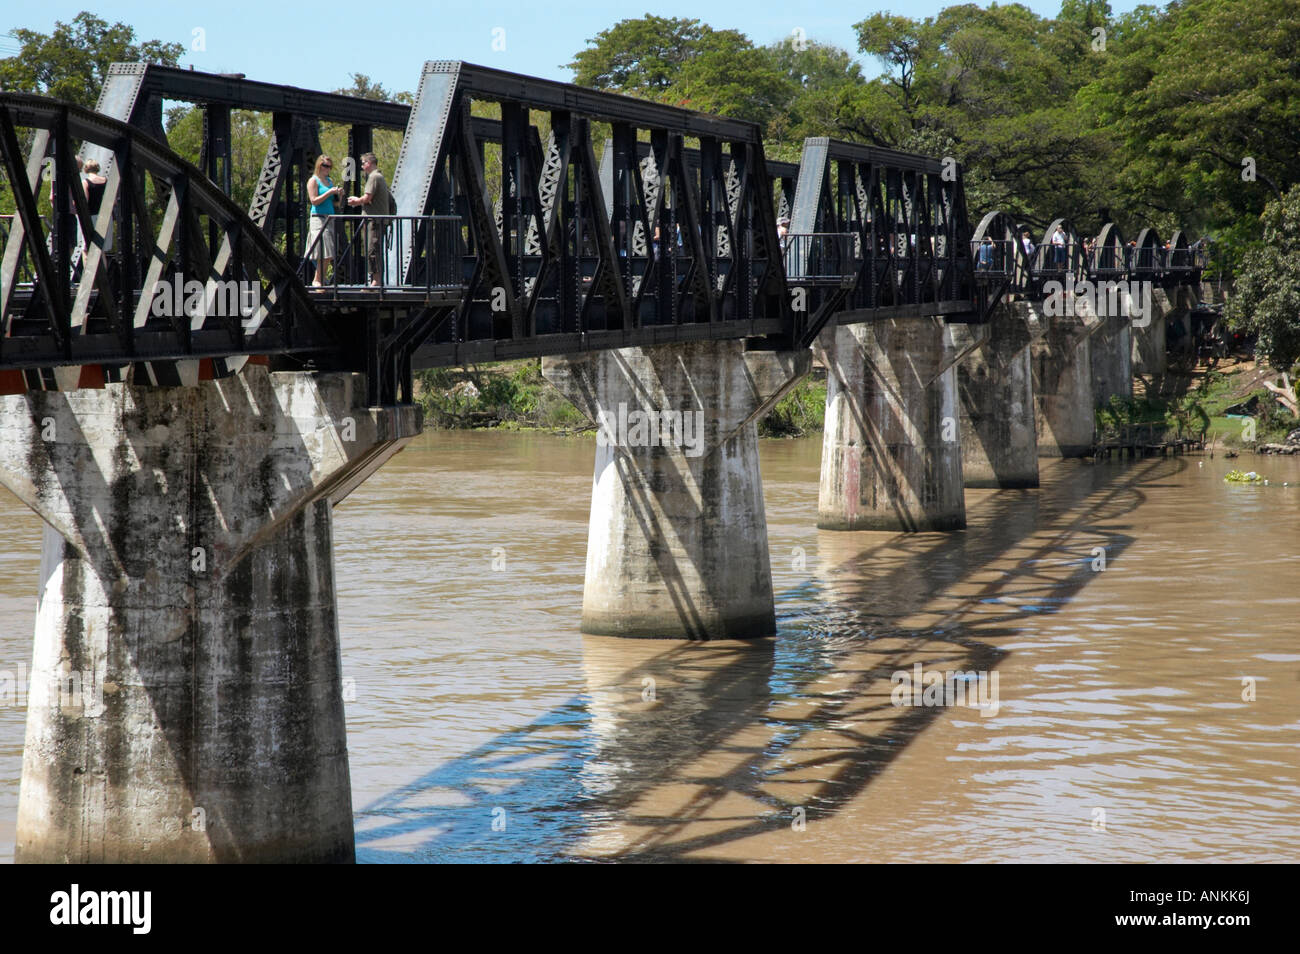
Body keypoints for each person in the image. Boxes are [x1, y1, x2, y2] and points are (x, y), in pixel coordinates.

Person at [346, 152, 391, 286]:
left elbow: (367, 198)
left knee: (373, 251)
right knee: (374, 250)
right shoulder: (379, 176)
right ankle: (376, 280)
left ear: (369, 163)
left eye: (363, 163)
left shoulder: (373, 177)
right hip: (378, 221)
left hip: (374, 222)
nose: (361, 166)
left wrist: (355, 201)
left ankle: (376, 282)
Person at [306, 155, 345, 286]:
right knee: (324, 251)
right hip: (318, 218)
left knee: (328, 252)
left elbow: (335, 205)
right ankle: (317, 279)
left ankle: (320, 279)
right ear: (319, 166)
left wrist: (338, 195)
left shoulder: (330, 181)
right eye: (325, 166)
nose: (328, 168)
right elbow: (314, 200)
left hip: (329, 218)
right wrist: (329, 193)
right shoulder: (313, 181)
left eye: (330, 166)